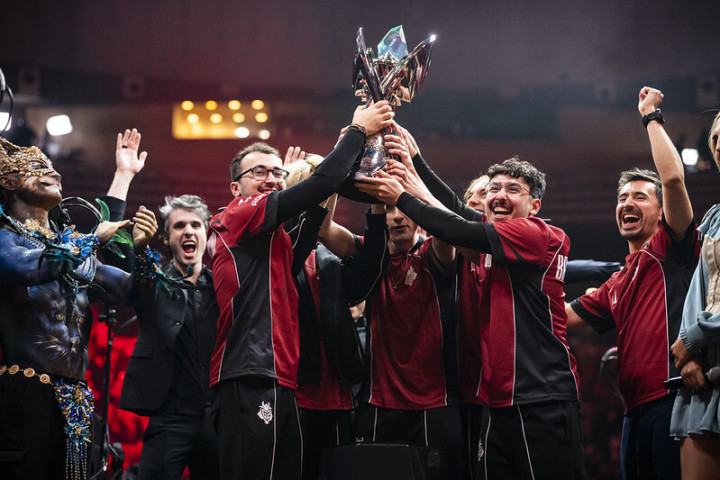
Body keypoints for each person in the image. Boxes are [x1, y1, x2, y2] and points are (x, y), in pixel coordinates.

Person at [358, 152, 583, 479]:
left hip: (541, 397)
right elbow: (457, 212)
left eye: (513, 189)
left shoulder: (535, 233)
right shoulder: (492, 245)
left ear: (534, 206)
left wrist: (403, 196)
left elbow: (456, 227)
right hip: (495, 400)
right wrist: (416, 163)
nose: (499, 196)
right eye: (494, 189)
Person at [206, 101, 393, 480]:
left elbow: (314, 220)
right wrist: (357, 131)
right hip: (249, 371)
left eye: (278, 172)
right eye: (259, 171)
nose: (271, 178)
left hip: (279, 377)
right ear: (235, 187)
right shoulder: (236, 214)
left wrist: (353, 156)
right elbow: (319, 185)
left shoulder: (275, 243)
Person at [566, 87, 699, 479]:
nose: (627, 203)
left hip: (675, 400)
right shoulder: (616, 283)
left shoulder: (672, 249)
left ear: (661, 212)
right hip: (632, 412)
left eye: (640, 197)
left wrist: (650, 116)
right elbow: (558, 317)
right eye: (622, 197)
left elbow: (672, 178)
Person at [0, 137, 141, 480]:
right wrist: (92, 240)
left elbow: (126, 288)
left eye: (53, 167)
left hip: (77, 396)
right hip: (25, 393)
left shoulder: (72, 250)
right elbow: (31, 268)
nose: (55, 173)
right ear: (8, 181)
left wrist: (137, 254)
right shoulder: (5, 237)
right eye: (38, 168)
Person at [116, 195, 221, 479]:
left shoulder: (221, 286)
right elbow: (137, 282)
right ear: (165, 238)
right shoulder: (154, 282)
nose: (188, 231)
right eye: (179, 226)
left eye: (196, 225)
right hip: (171, 415)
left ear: (207, 233)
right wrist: (140, 250)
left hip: (218, 415)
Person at [669, 110, 720, 479]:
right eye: (715, 138)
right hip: (704, 373)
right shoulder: (715, 216)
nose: (719, 144)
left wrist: (694, 336)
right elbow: (697, 290)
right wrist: (687, 353)